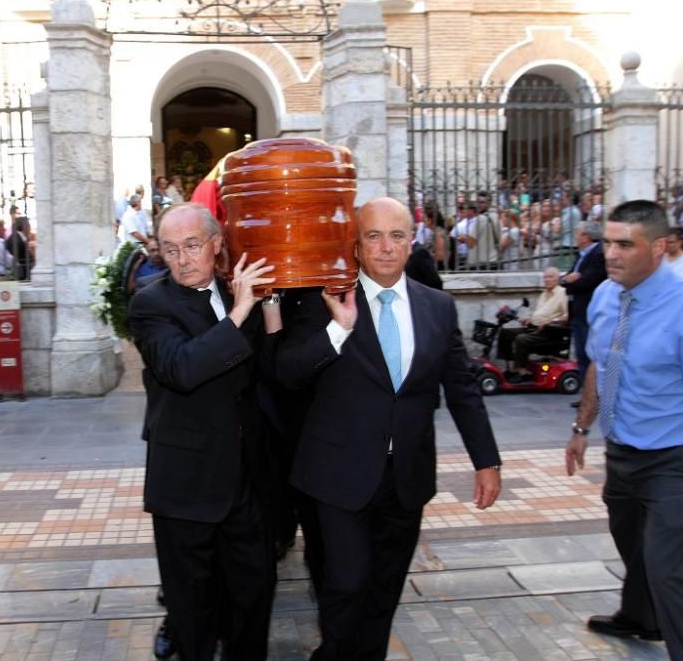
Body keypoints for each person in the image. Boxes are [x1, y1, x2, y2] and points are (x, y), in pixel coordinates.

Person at [272, 197, 501, 660]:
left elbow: (461, 388)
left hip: (407, 478)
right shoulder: (324, 300)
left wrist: (486, 461)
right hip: (338, 476)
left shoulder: (437, 306)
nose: (385, 248)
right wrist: (338, 331)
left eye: (396, 235)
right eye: (373, 236)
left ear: (412, 240)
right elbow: (286, 372)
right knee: (345, 584)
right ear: (355, 245)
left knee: (384, 589)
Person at [565, 199, 683, 661]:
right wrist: (582, 426)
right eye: (606, 242)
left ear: (659, 247)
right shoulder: (604, 296)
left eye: (625, 244)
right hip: (622, 456)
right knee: (635, 549)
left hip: (678, 461)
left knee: (667, 569)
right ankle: (639, 618)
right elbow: (602, 364)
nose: (611, 254)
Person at [128, 203, 277, 660]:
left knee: (254, 593)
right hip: (185, 484)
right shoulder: (151, 304)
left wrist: (267, 307)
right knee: (192, 609)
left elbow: (268, 372)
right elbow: (183, 369)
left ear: (216, 245)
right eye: (170, 249)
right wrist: (242, 311)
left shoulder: (241, 293)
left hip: (245, 481)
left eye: (193, 246)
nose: (182, 259)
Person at [497, 267, 569, 381]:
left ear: (558, 278)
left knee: (521, 338)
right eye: (545, 277)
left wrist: (551, 321)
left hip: (550, 331)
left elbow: (566, 317)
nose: (547, 279)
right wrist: (529, 319)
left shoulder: (563, 293)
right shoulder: (544, 293)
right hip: (535, 328)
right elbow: (538, 313)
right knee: (505, 332)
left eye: (550, 277)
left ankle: (522, 371)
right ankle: (510, 367)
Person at [561, 221, 605, 385]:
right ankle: (585, 389)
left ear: (586, 236)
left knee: (590, 353)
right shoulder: (581, 255)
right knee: (581, 352)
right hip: (577, 310)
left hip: (589, 310)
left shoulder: (598, 254)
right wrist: (568, 279)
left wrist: (571, 280)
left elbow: (587, 281)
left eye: (577, 234)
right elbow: (565, 279)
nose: (575, 237)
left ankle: (592, 391)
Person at [6, 214, 34, 281]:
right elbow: (27, 258)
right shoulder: (17, 240)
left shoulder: (18, 237)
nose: (30, 227)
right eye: (29, 225)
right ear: (24, 226)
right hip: (21, 277)